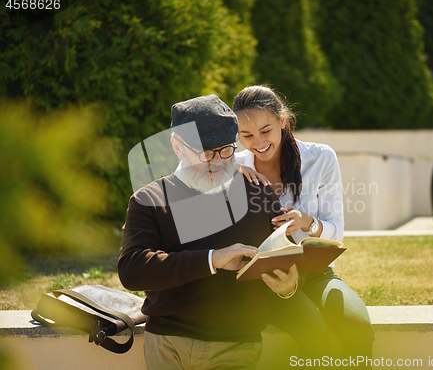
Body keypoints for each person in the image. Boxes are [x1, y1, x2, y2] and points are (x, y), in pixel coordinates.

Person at [118, 94, 299, 370]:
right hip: (167, 343)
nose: (216, 161)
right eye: (204, 153)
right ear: (177, 146)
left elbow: (283, 256)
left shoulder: (260, 195)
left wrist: (288, 288)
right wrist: (212, 259)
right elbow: (132, 270)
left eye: (226, 150)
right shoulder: (149, 199)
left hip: (235, 344)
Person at [233, 85, 374, 368]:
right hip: (265, 280)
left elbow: (337, 229)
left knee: (357, 325)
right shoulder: (233, 164)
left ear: (282, 121)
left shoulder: (321, 158)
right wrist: (228, 169)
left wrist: (309, 223)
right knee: (314, 334)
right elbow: (180, 177)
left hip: (316, 273)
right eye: (246, 135)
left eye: (266, 130)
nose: (258, 142)